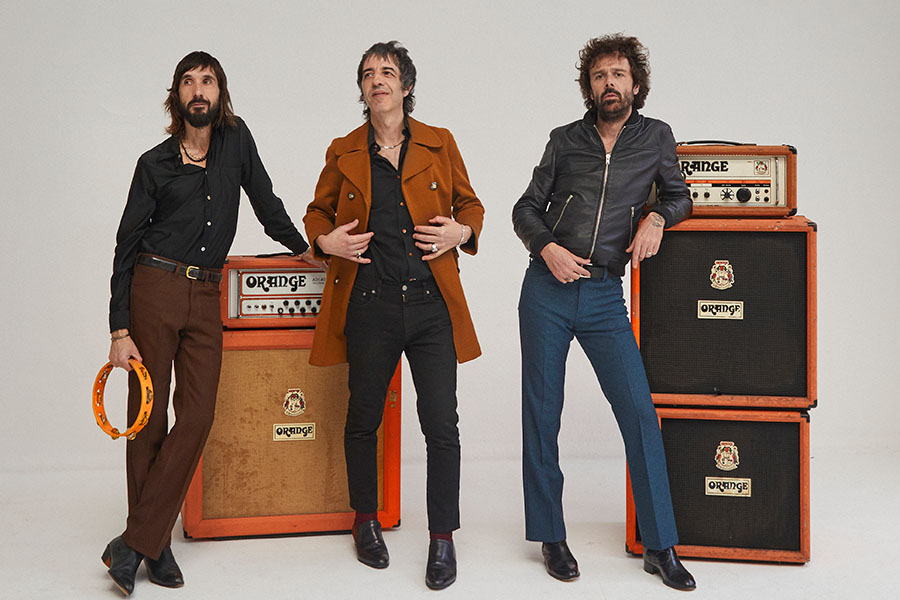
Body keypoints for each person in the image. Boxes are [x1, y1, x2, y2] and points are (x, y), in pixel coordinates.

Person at [104, 51, 317, 596]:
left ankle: (133, 543)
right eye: (188, 82)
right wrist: (119, 330)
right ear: (176, 96)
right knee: (147, 419)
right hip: (154, 290)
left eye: (208, 81)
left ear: (221, 93)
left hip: (206, 295)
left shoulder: (236, 141)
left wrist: (306, 248)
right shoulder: (153, 164)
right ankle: (155, 546)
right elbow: (126, 246)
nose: (198, 90)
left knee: (197, 416)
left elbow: (266, 203)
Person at [512, 34, 697, 591]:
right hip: (546, 289)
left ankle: (660, 545)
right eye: (599, 76)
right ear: (588, 87)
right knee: (542, 415)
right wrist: (547, 247)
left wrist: (658, 217)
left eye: (618, 74)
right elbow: (525, 207)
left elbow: (680, 195)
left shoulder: (655, 137)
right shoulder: (564, 140)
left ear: (635, 84)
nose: (608, 84)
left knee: (639, 413)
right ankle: (551, 536)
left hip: (602, 295)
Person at [304, 41, 483, 591]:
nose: (377, 80)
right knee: (363, 418)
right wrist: (326, 241)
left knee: (442, 425)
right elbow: (316, 214)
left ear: (406, 86)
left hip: (431, 306)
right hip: (370, 303)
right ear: (362, 90)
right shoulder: (343, 150)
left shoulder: (439, 142)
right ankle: (365, 520)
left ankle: (442, 538)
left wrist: (461, 232)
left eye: (387, 72)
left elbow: (470, 205)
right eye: (367, 73)